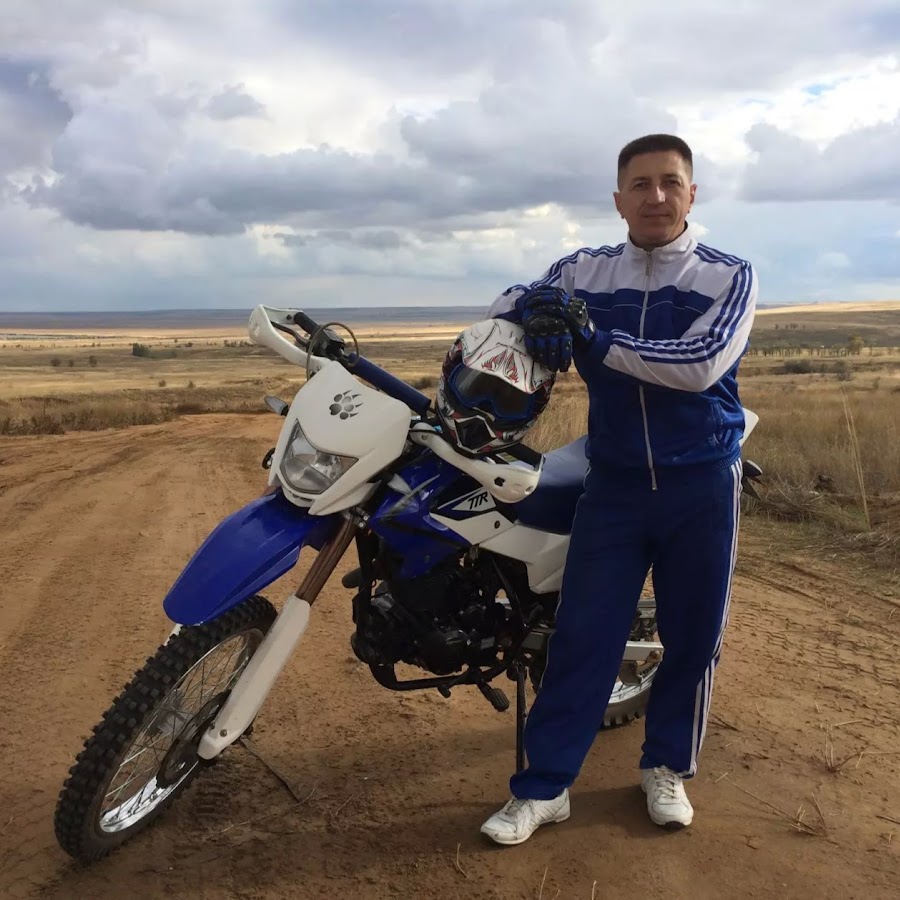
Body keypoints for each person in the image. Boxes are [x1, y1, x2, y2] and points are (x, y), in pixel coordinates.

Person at [479, 133, 758, 844]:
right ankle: (545, 789)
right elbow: (506, 304)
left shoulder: (728, 275)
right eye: (640, 184)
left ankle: (665, 766)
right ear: (618, 199)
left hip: (702, 480)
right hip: (614, 481)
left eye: (670, 182)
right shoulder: (584, 270)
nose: (656, 196)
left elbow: (698, 364)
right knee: (582, 636)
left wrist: (594, 341)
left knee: (693, 637)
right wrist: (536, 312)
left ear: (691, 193)